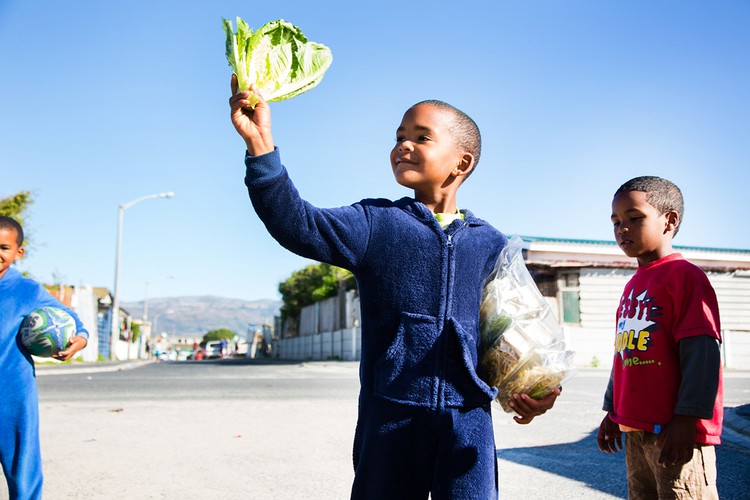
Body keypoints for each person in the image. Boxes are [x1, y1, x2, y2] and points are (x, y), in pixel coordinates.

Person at [229, 77, 559, 499]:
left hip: (468, 419)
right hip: (390, 415)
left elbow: (516, 330)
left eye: (421, 137)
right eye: (399, 136)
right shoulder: (374, 223)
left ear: (462, 163)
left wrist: (535, 390)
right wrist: (261, 146)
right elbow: (298, 223)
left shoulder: (491, 243)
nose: (403, 145)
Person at [597, 177, 723, 499]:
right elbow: (623, 354)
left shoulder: (685, 278)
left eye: (634, 218)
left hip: (677, 435)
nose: (622, 228)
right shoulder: (632, 286)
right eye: (616, 222)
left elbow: (702, 355)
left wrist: (686, 420)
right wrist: (612, 412)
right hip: (636, 433)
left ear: (669, 220)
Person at [0, 216, 89, 499]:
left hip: (13, 394)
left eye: (3, 247)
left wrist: (80, 339)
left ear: (18, 252)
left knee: (22, 470)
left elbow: (73, 319)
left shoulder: (27, 291)